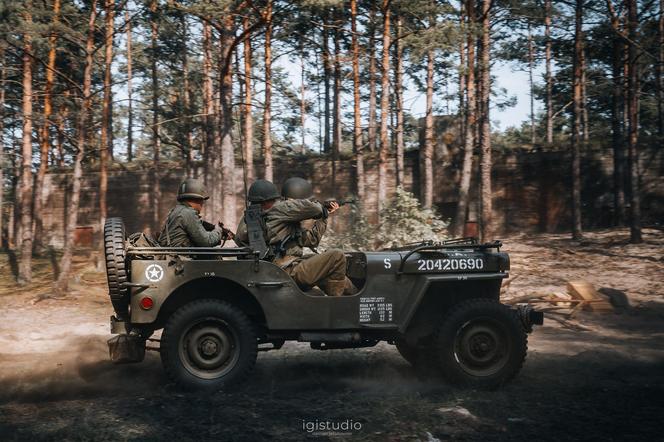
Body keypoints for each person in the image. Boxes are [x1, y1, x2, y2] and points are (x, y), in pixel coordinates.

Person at [235, 178, 353, 297]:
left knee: (328, 268)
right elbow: (315, 209)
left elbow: (311, 239)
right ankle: (339, 305)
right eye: (275, 200)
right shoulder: (279, 210)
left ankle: (354, 297)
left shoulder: (253, 220)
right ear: (267, 201)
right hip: (286, 272)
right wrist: (321, 207)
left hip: (278, 270)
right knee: (337, 256)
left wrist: (324, 216)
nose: (278, 201)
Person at [158, 178, 232, 247]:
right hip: (180, 258)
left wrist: (219, 235)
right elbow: (207, 241)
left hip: (176, 255)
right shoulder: (188, 213)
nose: (202, 204)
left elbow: (196, 235)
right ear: (197, 199)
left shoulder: (177, 210)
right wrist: (218, 230)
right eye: (202, 200)